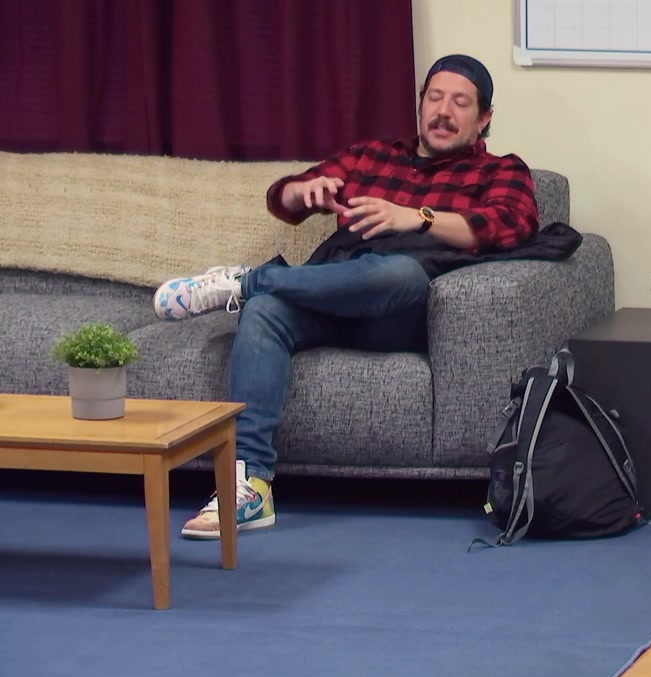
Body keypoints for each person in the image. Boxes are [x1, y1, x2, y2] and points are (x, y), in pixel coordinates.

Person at [150, 54, 540, 540]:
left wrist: (416, 217)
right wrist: (303, 191)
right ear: (420, 105)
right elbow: (282, 197)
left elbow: (511, 224)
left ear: (483, 118)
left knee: (400, 272)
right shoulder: (373, 157)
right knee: (265, 312)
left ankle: (246, 282)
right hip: (335, 296)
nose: (444, 111)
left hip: (406, 312)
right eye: (435, 98)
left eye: (460, 103)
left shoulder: (500, 171)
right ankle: (249, 486)